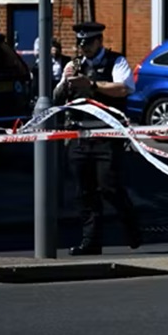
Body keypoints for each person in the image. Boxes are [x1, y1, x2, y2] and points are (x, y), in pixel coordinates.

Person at [53, 21, 142, 256]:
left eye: (89, 43)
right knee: (84, 192)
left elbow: (123, 89)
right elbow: (57, 97)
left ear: (99, 41)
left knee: (109, 187)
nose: (84, 48)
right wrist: (66, 80)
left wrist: (92, 85)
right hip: (79, 135)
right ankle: (91, 242)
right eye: (81, 44)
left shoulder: (116, 61)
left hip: (106, 135)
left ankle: (132, 227)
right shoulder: (74, 65)